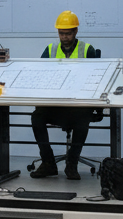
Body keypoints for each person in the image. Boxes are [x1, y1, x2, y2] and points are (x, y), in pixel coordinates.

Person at [30, 10, 100, 181]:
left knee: (82, 121)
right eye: (61, 33)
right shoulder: (50, 50)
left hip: (78, 106)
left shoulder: (87, 50)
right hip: (56, 105)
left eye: (68, 33)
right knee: (37, 117)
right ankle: (48, 163)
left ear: (76, 31)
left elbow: (97, 78)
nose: (64, 37)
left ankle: (72, 164)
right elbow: (40, 75)